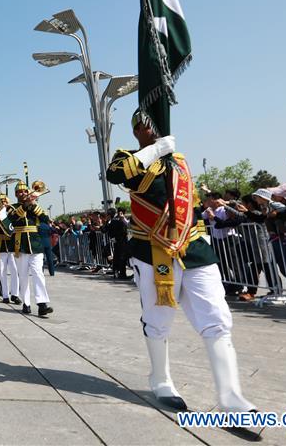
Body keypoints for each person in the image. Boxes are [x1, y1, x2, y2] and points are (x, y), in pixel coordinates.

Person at [105, 110, 255, 414]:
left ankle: (231, 398)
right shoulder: (131, 156)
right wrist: (156, 150)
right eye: (150, 125)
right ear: (139, 131)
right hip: (152, 249)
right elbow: (116, 175)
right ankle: (160, 380)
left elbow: (191, 203)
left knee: (216, 318)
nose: (157, 128)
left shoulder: (180, 161)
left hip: (194, 247)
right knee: (159, 318)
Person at [6, 181, 53, 316]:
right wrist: (25, 206)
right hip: (20, 243)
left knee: (38, 273)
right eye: (20, 192)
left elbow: (45, 219)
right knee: (23, 275)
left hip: (35, 243)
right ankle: (26, 303)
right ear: (16, 194)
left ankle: (42, 304)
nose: (24, 194)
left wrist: (32, 205)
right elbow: (12, 219)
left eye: (25, 191)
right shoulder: (12, 207)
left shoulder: (34, 206)